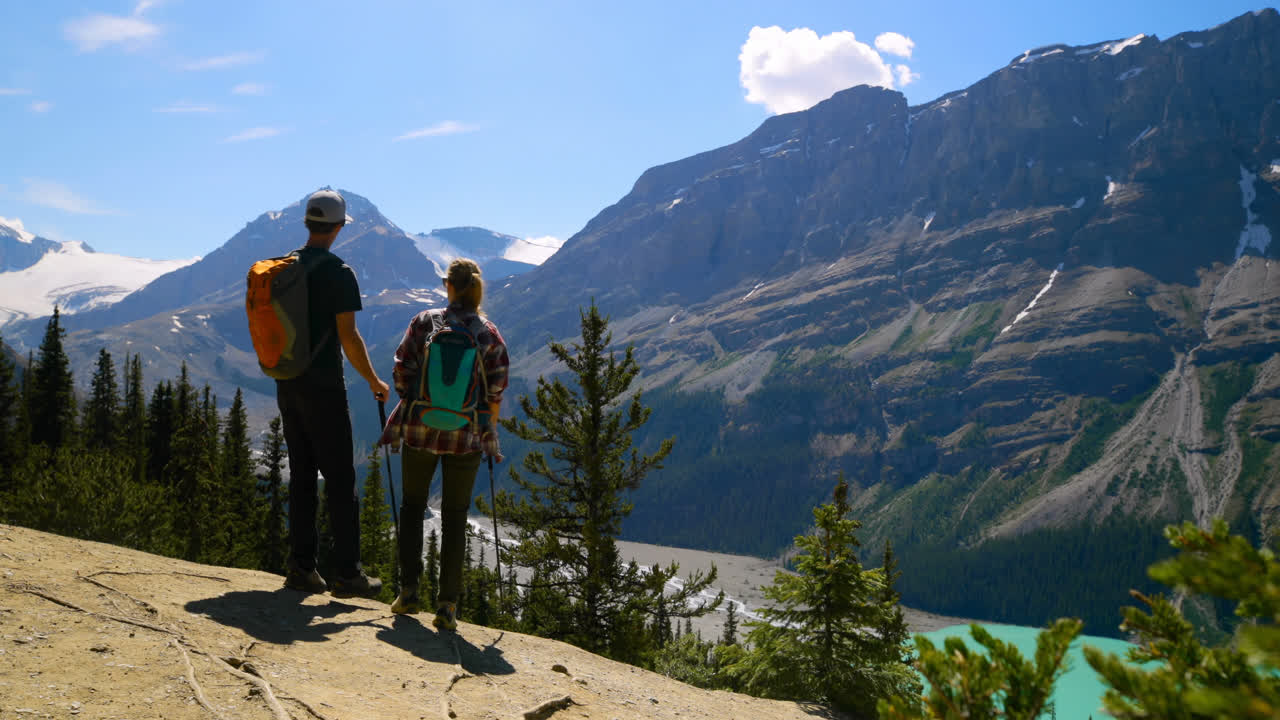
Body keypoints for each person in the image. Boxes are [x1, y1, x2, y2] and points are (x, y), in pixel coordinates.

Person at [379, 258, 508, 631]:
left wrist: (416, 402)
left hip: (420, 428)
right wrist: (486, 429)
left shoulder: (424, 322)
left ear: (449, 286)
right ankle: (448, 605)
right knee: (454, 517)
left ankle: (407, 594)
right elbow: (496, 388)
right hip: (465, 437)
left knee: (411, 507)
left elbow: (401, 368)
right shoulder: (488, 334)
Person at [279, 189, 391, 598]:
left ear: (308, 223)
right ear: (340, 227)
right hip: (324, 387)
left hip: (287, 383)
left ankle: (301, 567)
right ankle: (349, 573)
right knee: (342, 480)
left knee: (303, 476)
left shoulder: (284, 265)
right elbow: (349, 336)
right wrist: (375, 381)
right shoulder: (339, 272)